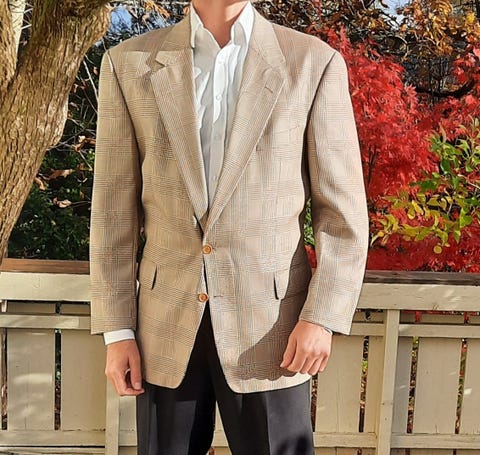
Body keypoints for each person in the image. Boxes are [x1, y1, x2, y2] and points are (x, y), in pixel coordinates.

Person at [90, 0, 369, 453]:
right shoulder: (129, 64)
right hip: (164, 328)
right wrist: (117, 330)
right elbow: (112, 213)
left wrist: (322, 316)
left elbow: (343, 215)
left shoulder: (312, 63)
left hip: (274, 331)